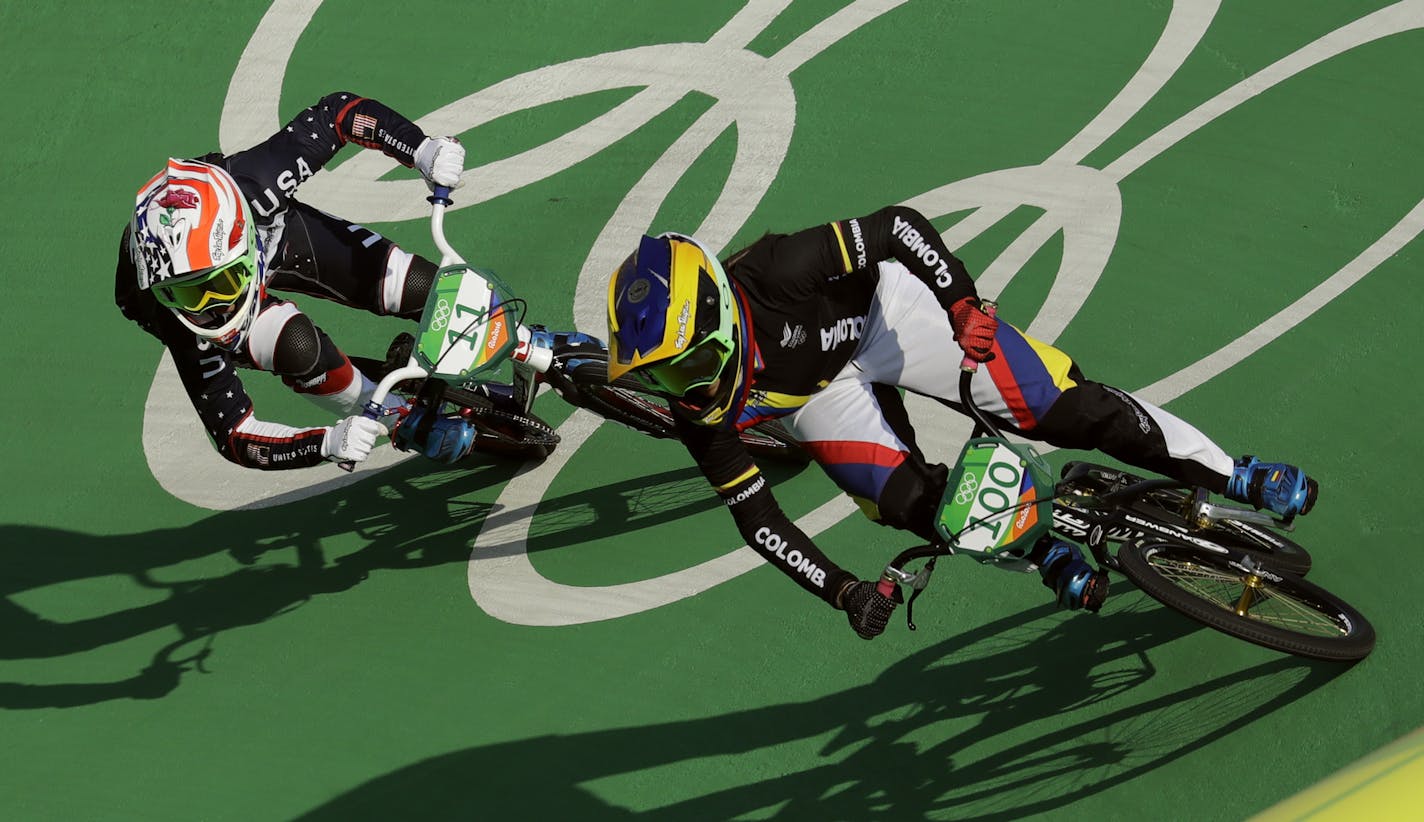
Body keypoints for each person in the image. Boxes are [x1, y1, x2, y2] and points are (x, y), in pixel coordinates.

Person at [604, 207, 1318, 639]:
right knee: (906, 504)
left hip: (891, 319)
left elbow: (896, 229)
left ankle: (1239, 475)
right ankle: (1046, 555)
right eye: (661, 378)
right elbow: (758, 521)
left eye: (687, 366)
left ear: (722, 323)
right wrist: (842, 589)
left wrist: (962, 304)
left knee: (1057, 407)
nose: (683, 391)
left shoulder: (778, 272)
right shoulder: (700, 414)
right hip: (824, 399)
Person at [118, 91, 497, 469]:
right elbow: (232, 434)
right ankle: (396, 417)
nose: (214, 307)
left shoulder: (259, 182)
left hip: (272, 232)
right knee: (296, 346)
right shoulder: (172, 312)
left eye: (224, 284)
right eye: (191, 294)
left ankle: (529, 343)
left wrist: (421, 149)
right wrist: (327, 443)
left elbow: (341, 113)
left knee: (419, 286)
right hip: (211, 264)